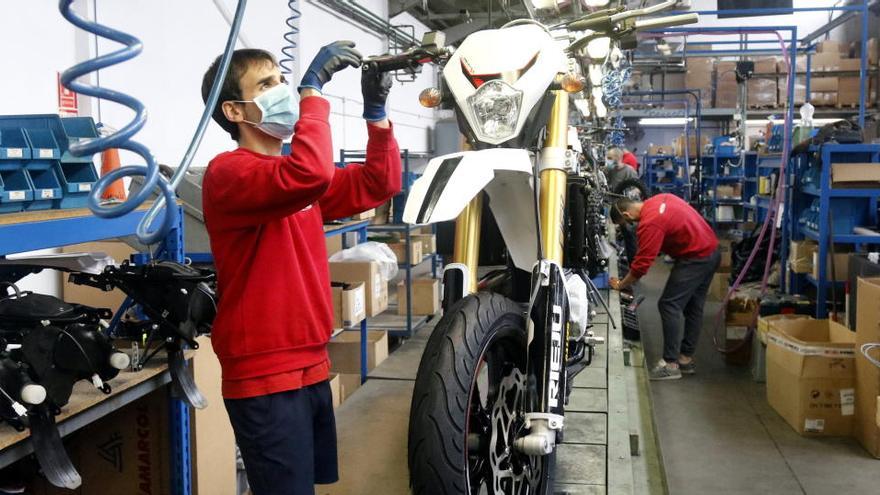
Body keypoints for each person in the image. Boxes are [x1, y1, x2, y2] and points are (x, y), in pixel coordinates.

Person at [200, 42, 401, 494]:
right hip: (265, 374)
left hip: (310, 361)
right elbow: (310, 173)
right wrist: (313, 93)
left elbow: (379, 182)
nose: (283, 92)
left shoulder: (294, 178)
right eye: (266, 84)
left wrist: (376, 114)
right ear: (234, 110)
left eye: (283, 81)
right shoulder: (229, 173)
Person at [608, 194, 719, 381]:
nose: (627, 226)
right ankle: (685, 359)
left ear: (627, 215)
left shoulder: (650, 223)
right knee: (693, 307)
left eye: (624, 223)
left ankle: (670, 364)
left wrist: (621, 284)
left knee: (669, 305)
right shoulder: (659, 199)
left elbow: (641, 266)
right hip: (711, 251)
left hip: (695, 258)